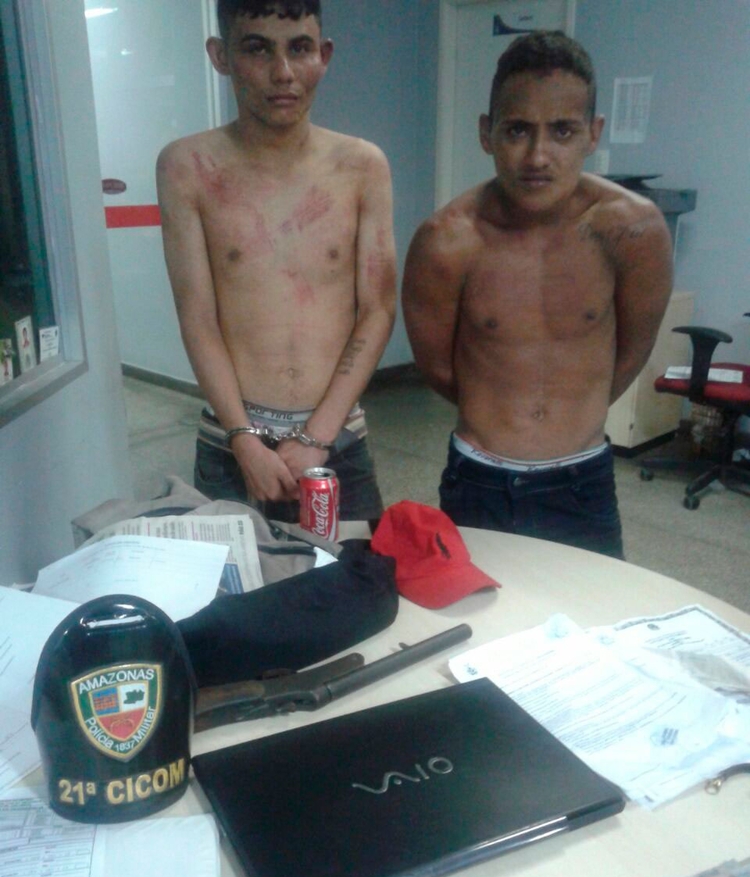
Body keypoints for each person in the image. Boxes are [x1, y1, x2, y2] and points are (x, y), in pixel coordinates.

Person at [402, 31, 673, 559]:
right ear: (487, 133)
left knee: (594, 611)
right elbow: (437, 369)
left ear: (593, 134)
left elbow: (630, 353)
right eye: (518, 129)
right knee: (478, 612)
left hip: (583, 481)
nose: (537, 156)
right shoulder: (447, 240)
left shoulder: (633, 230)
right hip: (479, 479)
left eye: (562, 130)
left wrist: (570, 412)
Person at [157, 0, 396, 524]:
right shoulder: (187, 167)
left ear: (324, 55)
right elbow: (197, 317)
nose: (283, 72)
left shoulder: (362, 166)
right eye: (258, 48)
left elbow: (378, 309)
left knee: (357, 574)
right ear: (220, 56)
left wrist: (316, 437)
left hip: (337, 437)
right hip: (232, 441)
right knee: (236, 578)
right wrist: (244, 440)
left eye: (299, 49)